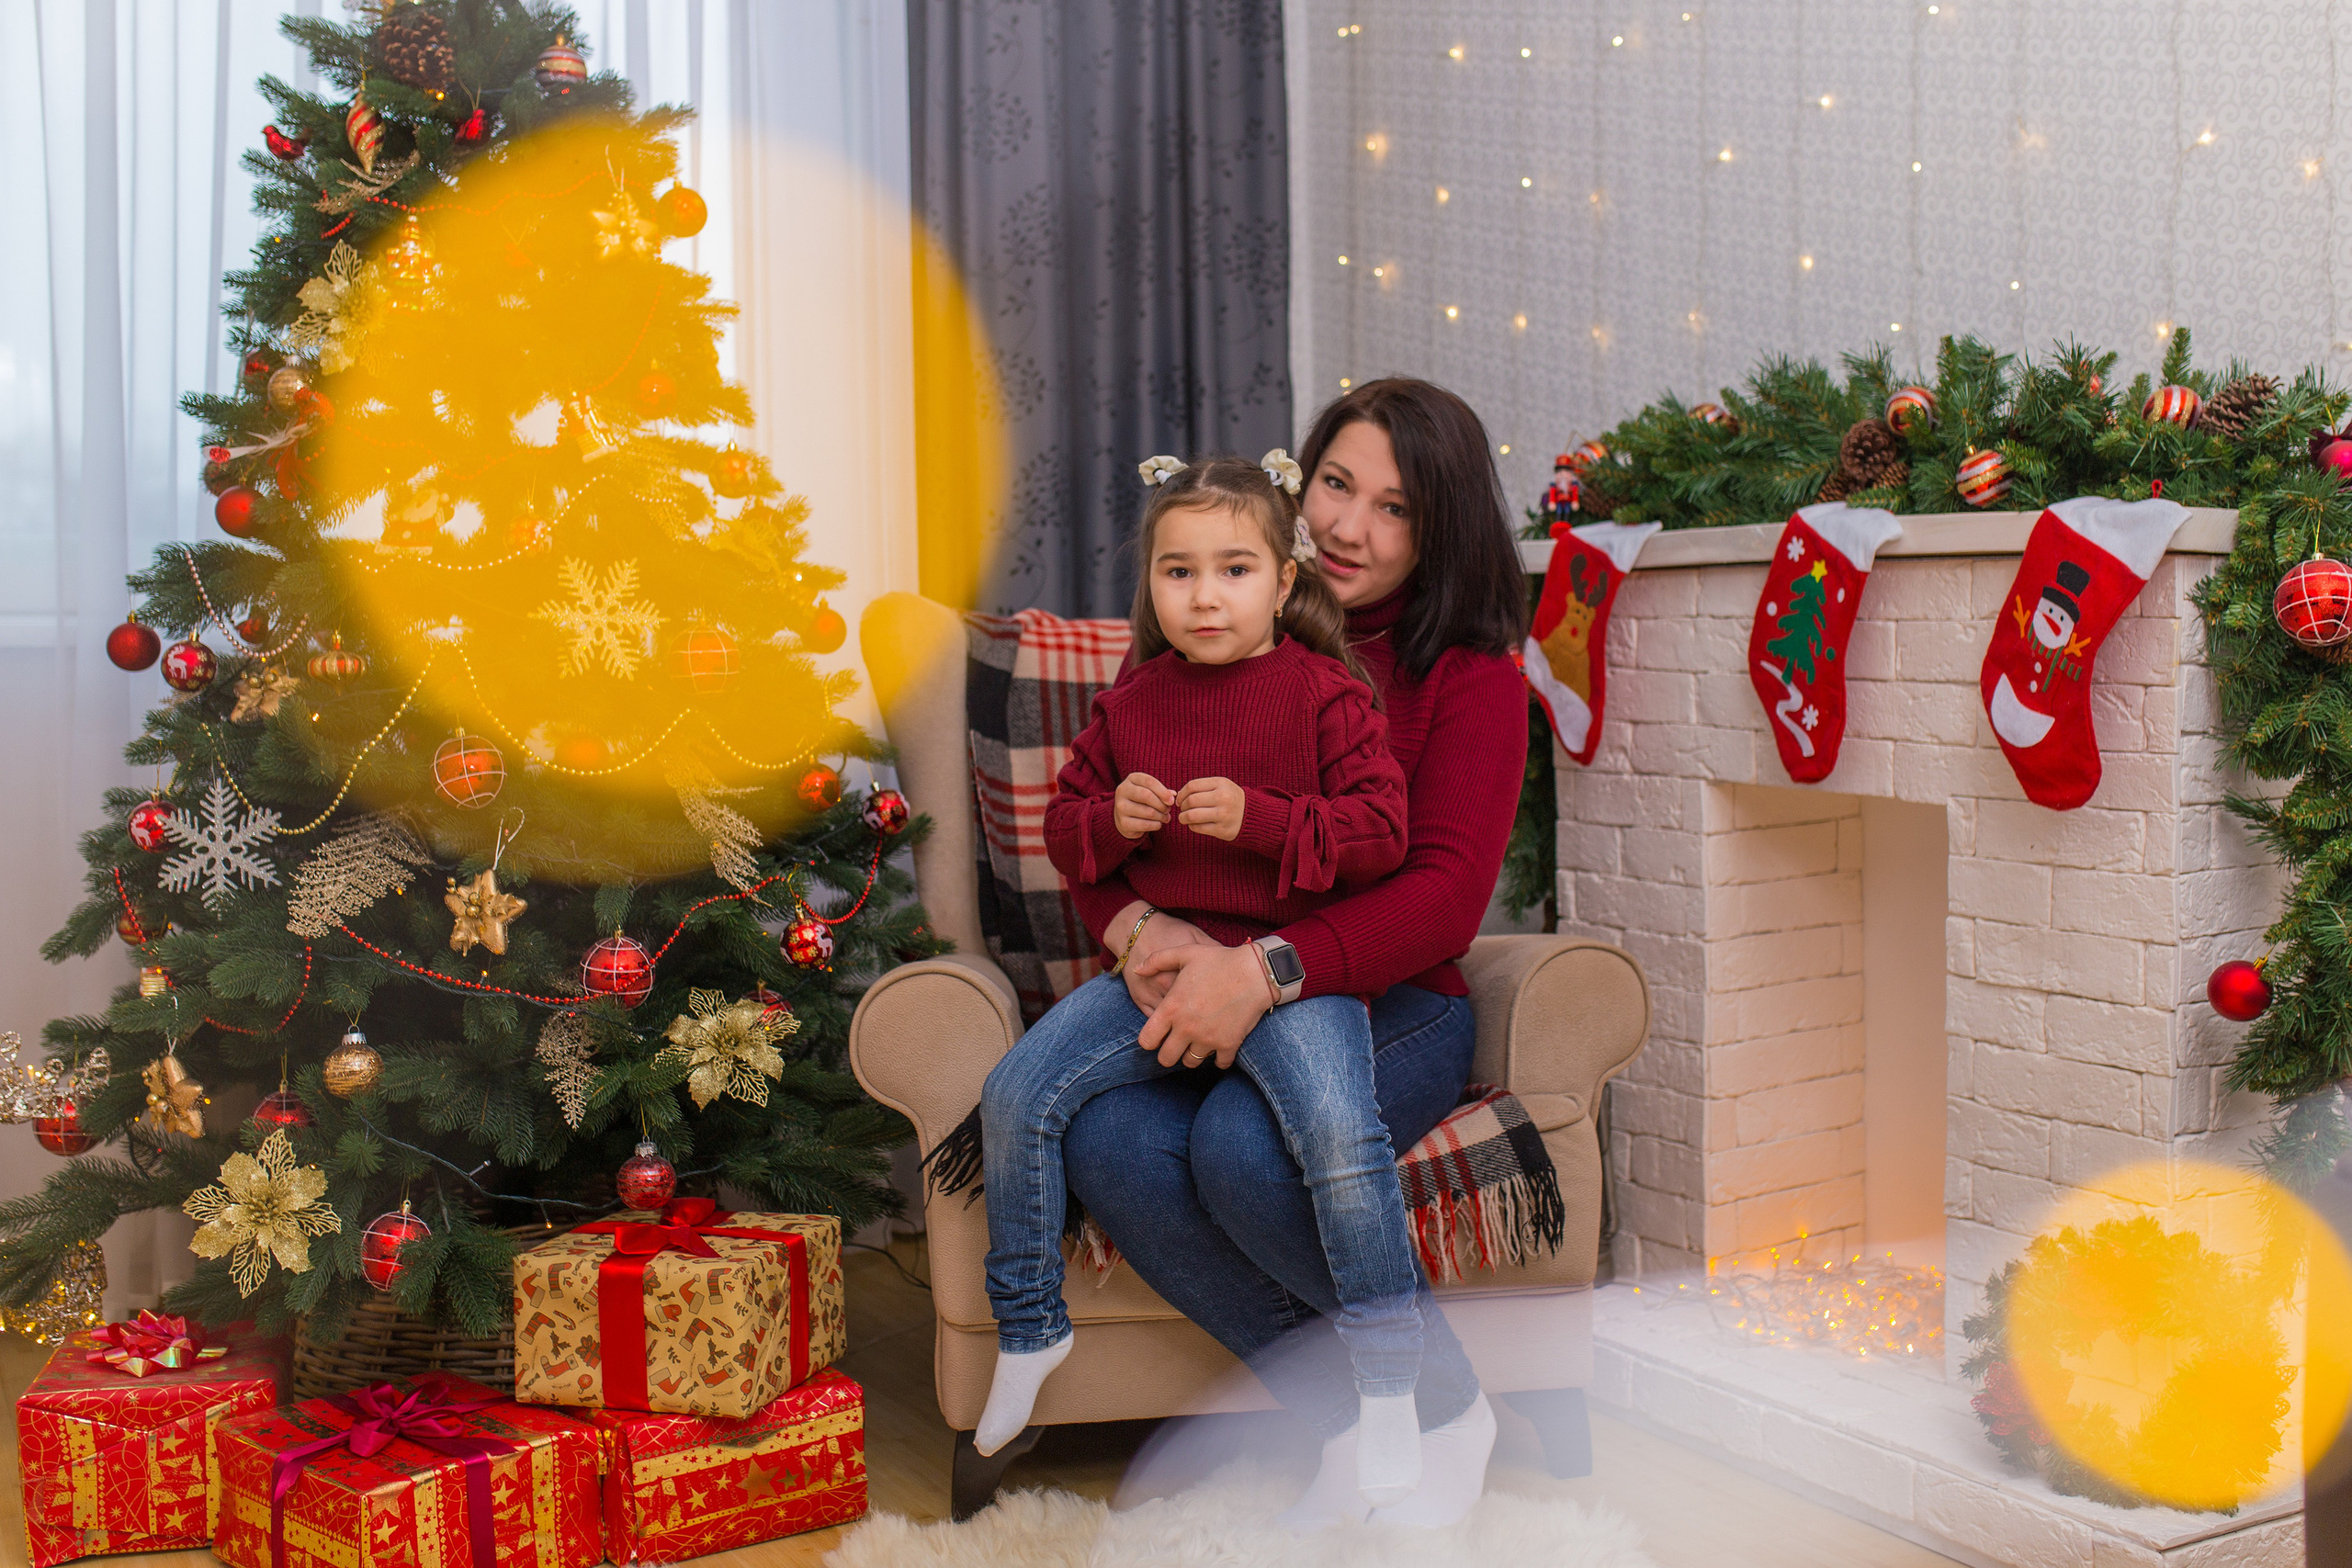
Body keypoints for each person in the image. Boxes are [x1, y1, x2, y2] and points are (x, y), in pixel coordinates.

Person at [1060, 378, 1532, 1531]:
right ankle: (1344, 1420)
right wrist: (1132, 928)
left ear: (1441, 530)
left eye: (1393, 507)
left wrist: (1260, 970)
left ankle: (1447, 1409)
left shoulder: (1471, 682)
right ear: (1296, 481)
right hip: (1209, 989)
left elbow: (1441, 901)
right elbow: (1099, 829)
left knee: (1241, 1153)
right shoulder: (1213, 623)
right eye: (1332, 485)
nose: (1345, 527)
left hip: (1388, 1000)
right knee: (1109, 1140)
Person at [974, 450, 1434, 1513]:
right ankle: (1029, 1333)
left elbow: (1381, 835)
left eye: (1232, 569)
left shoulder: (1325, 694)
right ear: (1152, 589)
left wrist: (1268, 820)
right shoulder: (1131, 703)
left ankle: (1389, 1384)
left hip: (1295, 978)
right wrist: (1111, 821)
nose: (1204, 594)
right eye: (1177, 573)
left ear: (1283, 581)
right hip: (1165, 973)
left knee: (1334, 1135)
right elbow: (1064, 830)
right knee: (1015, 1095)